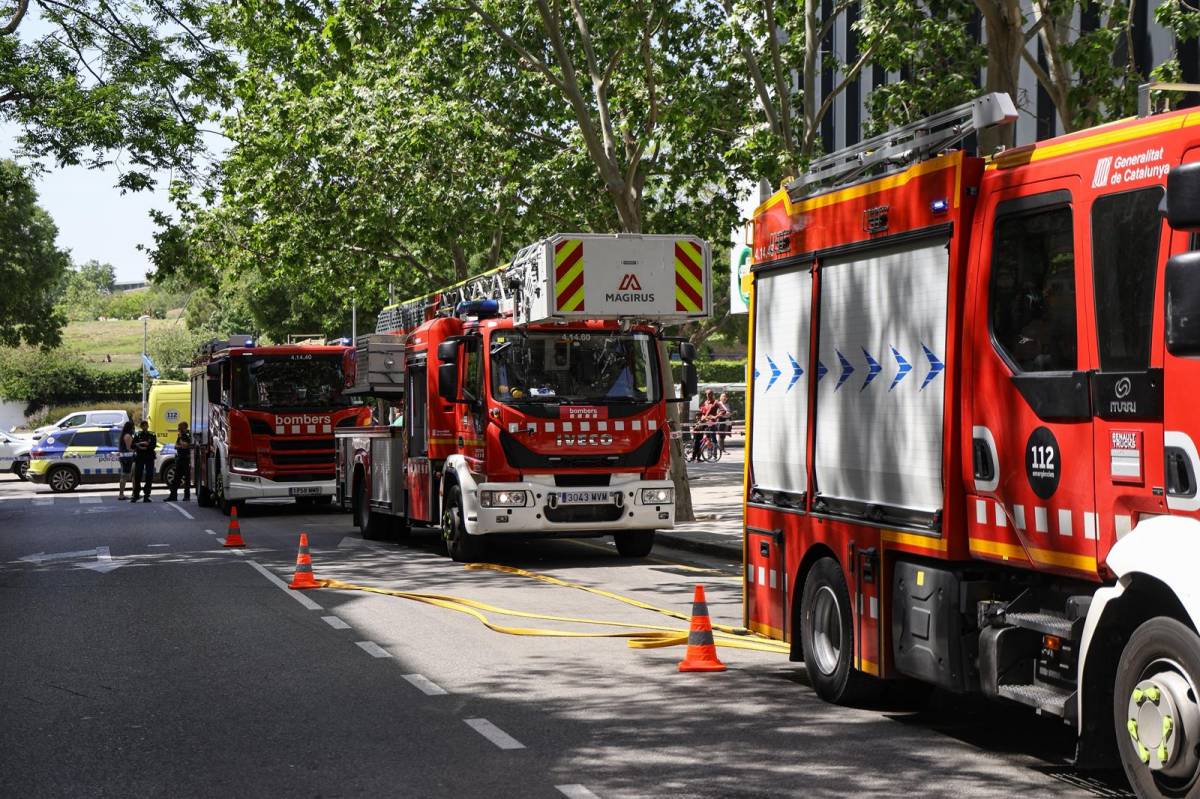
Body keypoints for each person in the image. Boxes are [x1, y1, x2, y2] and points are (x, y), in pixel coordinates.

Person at [130, 420, 158, 503]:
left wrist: (146, 446)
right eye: (143, 426)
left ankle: (147, 495)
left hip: (149, 457)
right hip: (140, 457)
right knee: (138, 475)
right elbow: (132, 445)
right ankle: (136, 495)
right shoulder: (137, 434)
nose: (145, 427)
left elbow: (153, 445)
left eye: (146, 425)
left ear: (148, 426)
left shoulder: (152, 434)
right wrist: (140, 445)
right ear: (141, 427)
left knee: (149, 476)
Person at [165, 421, 192, 502]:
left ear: (184, 428)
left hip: (186, 459)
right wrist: (181, 445)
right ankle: (173, 496)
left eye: (180, 428)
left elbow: (185, 445)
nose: (179, 429)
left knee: (187, 479)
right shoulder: (180, 436)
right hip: (179, 459)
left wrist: (181, 443)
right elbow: (176, 446)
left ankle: (187, 496)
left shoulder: (187, 436)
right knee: (176, 478)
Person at [690, 390, 718, 461]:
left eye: (710, 394)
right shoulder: (705, 403)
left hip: (708, 424)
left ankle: (709, 455)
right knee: (698, 442)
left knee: (708, 441)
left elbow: (711, 413)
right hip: (702, 424)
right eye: (707, 394)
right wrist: (701, 419)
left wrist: (714, 417)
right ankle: (694, 457)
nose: (708, 395)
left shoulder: (715, 402)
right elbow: (703, 413)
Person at [116, 421, 135, 500]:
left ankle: (133, 493)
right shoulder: (128, 436)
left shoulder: (124, 435)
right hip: (127, 458)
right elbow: (129, 448)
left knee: (128, 475)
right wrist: (137, 449)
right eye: (133, 427)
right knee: (125, 476)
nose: (134, 429)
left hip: (124, 457)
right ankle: (121, 494)